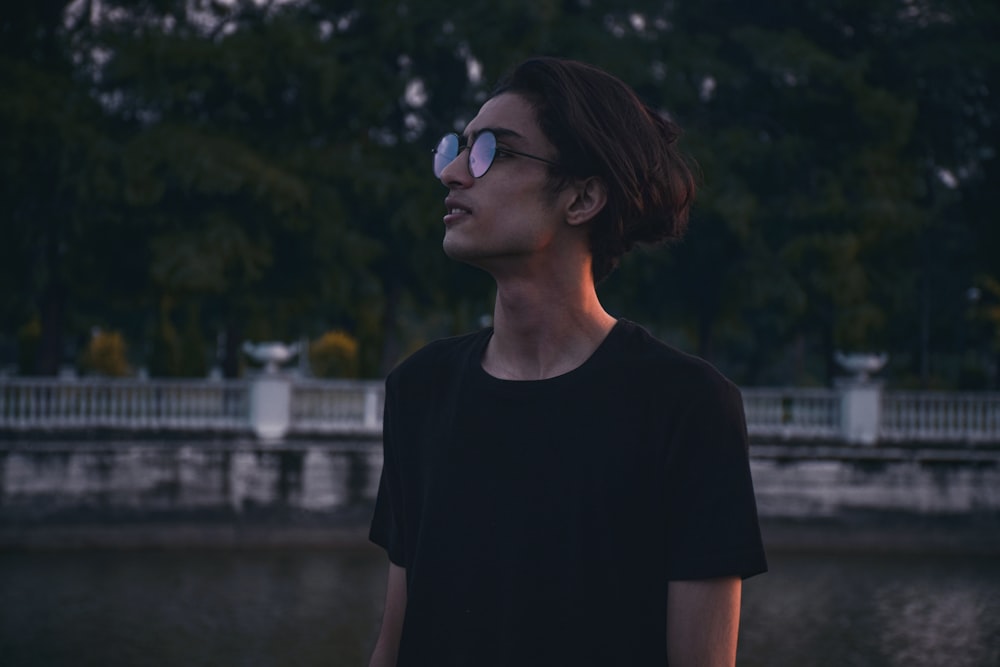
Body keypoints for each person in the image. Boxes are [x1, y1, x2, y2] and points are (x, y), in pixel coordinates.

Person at [368, 57, 767, 667]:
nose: (450, 173)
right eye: (458, 147)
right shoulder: (420, 391)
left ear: (582, 197)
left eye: (491, 152)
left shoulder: (686, 407)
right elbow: (393, 647)